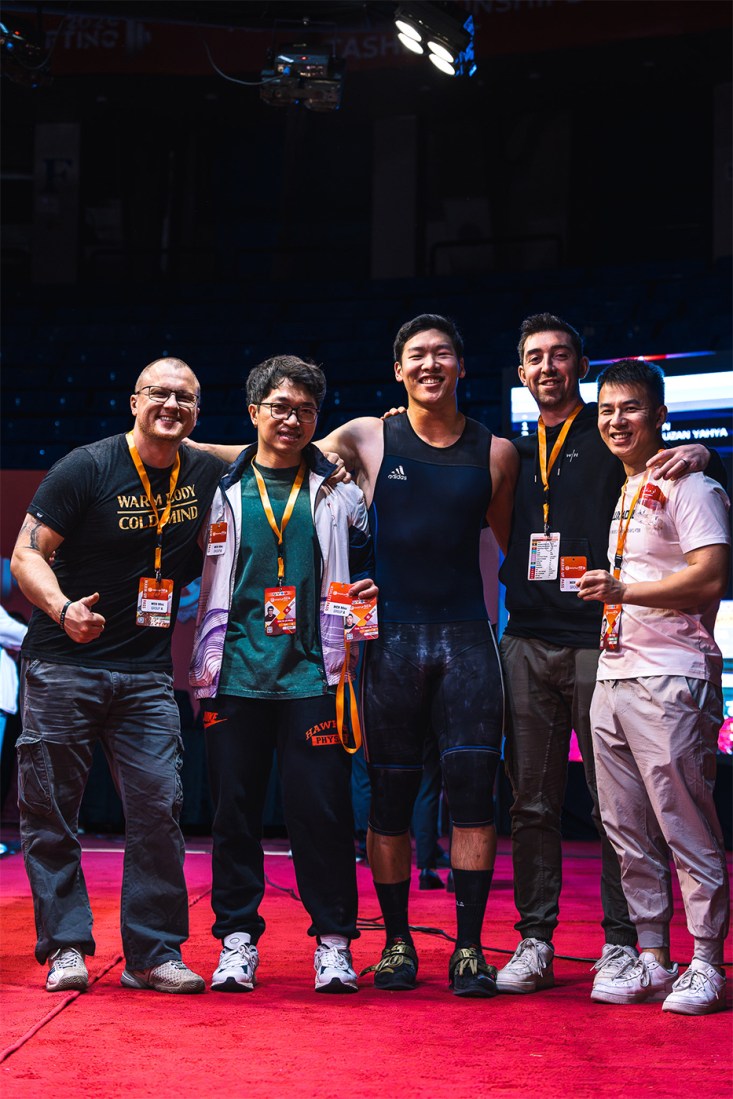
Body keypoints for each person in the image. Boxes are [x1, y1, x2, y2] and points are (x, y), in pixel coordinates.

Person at [497, 314, 719, 997]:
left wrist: (701, 452)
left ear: (580, 367)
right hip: (538, 638)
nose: (545, 367)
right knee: (542, 804)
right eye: (532, 357)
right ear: (519, 371)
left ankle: (630, 946)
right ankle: (545, 939)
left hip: (612, 644)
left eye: (559, 355)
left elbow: (697, 503)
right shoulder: (507, 449)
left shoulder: (619, 442)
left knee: (628, 808)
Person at [10, 357, 225, 994]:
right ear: (134, 401)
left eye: (184, 398)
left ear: (197, 410)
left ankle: (153, 955)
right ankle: (66, 948)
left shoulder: (206, 469)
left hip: (146, 677)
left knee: (159, 810)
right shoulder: (86, 467)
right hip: (63, 665)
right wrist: (61, 608)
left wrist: (358, 439)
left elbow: (274, 442)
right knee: (51, 813)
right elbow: (27, 552)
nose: (171, 406)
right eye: (159, 394)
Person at [318, 314, 518, 997]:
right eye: (415, 355)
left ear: (461, 366)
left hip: (467, 642)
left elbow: (521, 546)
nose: (429, 363)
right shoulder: (368, 435)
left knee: (471, 799)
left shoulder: (495, 452)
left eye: (441, 353)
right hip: (391, 643)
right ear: (397, 371)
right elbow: (273, 453)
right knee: (391, 800)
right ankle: (397, 940)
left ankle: (467, 947)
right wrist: (184, 444)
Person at [189, 355, 377, 995]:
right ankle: (237, 943)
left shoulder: (340, 489)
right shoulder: (219, 488)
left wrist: (368, 596)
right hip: (233, 673)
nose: (291, 419)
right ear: (254, 413)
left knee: (320, 815)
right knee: (233, 815)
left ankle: (332, 946)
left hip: (315, 677)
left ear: (316, 418)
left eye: (304, 409)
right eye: (279, 407)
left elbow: (369, 564)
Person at [577, 358, 729, 1015]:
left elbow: (708, 579)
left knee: (684, 825)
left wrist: (623, 590)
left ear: (658, 414)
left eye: (629, 407)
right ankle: (648, 956)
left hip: (671, 675)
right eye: (607, 408)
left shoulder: (689, 484)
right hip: (612, 675)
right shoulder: (628, 483)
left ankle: (705, 961)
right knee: (624, 828)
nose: (616, 419)